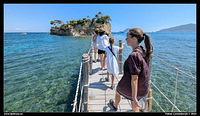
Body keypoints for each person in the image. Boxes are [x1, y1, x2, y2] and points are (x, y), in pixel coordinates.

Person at [109, 28, 153, 112]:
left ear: (134, 39)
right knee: (134, 103)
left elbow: (134, 79)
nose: (125, 39)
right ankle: (121, 104)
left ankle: (115, 106)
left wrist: (134, 97)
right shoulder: (142, 50)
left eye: (127, 37)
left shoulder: (134, 56)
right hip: (143, 87)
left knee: (118, 90)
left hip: (136, 87)